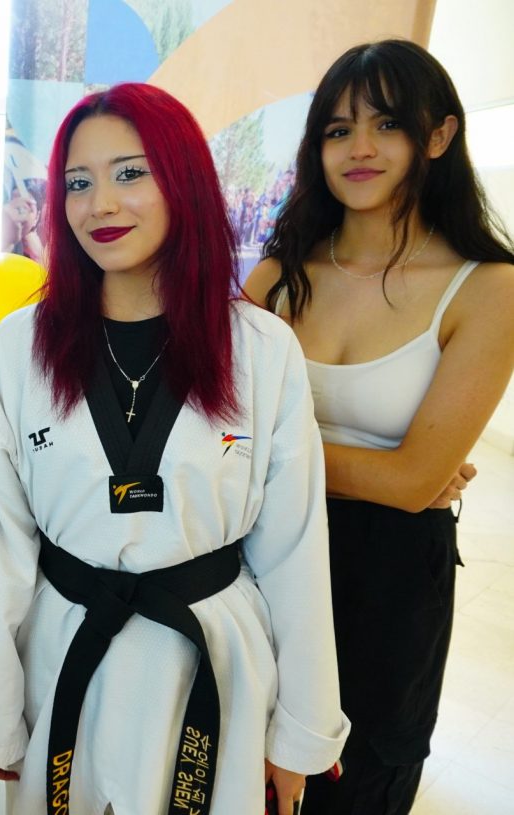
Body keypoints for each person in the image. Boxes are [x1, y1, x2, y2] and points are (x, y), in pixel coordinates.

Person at [0, 82, 349, 815]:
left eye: (130, 173)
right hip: (66, 646)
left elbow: (294, 552)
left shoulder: (261, 349)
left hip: (210, 657)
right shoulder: (18, 346)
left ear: (184, 181)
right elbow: (5, 548)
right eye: (78, 182)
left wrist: (300, 732)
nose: (100, 204)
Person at [244, 39, 514, 814]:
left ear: (440, 134)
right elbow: (209, 423)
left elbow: (412, 485)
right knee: (242, 764)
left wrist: (267, 451)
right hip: (263, 548)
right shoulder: (278, 274)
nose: (358, 148)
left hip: (390, 578)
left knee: (358, 781)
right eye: (338, 130)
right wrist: (397, 473)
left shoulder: (486, 287)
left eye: (386, 123)